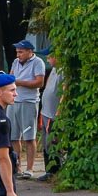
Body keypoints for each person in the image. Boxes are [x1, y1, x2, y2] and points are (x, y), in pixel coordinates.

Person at [7, 39, 45, 179]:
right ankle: (17, 167)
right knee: (13, 136)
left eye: (21, 52)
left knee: (29, 137)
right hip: (13, 101)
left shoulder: (38, 62)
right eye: (17, 52)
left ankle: (30, 169)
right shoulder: (16, 62)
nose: (18, 55)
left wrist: (19, 82)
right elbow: (11, 76)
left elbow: (39, 82)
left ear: (30, 51)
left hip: (28, 102)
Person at [37, 47, 62, 180]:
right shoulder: (53, 69)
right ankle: (49, 170)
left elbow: (65, 90)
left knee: (52, 141)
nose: (47, 60)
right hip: (46, 111)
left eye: (49, 57)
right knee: (46, 141)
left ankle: (55, 170)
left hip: (53, 113)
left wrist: (59, 110)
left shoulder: (63, 71)